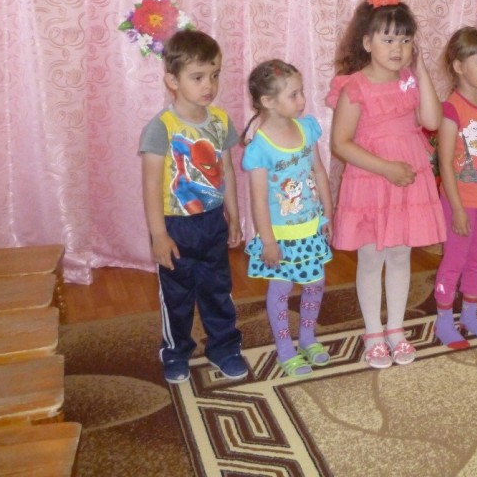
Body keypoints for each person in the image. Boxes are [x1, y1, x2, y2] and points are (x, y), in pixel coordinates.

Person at [327, 0, 445, 369]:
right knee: (371, 258)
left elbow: (432, 120)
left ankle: (396, 329)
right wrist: (386, 168)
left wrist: (421, 70)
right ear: (367, 43)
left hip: (407, 180)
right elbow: (340, 143)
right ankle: (373, 333)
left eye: (406, 40)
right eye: (389, 39)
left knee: (399, 255)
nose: (398, 48)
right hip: (371, 181)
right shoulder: (354, 86)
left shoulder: (409, 80)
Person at [139, 29, 248, 384]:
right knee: (177, 294)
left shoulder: (220, 121)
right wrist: (159, 235)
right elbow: (151, 185)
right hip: (175, 226)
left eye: (214, 75)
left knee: (218, 289)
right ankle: (176, 352)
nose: (209, 85)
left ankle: (224, 348)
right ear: (173, 80)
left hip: (212, 221)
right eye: (198, 77)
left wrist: (234, 216)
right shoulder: (162, 128)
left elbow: (227, 170)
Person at [241, 60, 333, 378]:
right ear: (268, 101)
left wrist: (328, 213)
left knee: (315, 284)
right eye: (294, 95)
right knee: (281, 289)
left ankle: (307, 338)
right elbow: (258, 200)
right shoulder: (260, 148)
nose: (302, 100)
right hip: (280, 236)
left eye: (301, 92)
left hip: (310, 229)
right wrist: (268, 241)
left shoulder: (307, 128)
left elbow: (318, 171)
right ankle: (284, 348)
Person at [433, 27, 477, 349]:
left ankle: (470, 315)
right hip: (460, 202)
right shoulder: (451, 109)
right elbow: (446, 163)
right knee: (454, 262)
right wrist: (457, 208)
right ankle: (443, 320)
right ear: (459, 66)